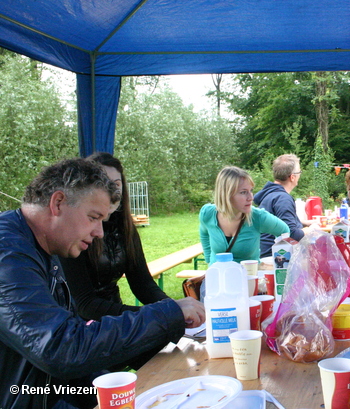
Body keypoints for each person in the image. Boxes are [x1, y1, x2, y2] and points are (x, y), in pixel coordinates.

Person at [0, 158, 205, 408]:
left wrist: (105, 385)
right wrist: (166, 314)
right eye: (93, 217)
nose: (99, 232)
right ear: (58, 203)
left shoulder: (44, 245)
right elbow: (59, 348)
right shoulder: (8, 254)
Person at [61, 153, 169, 321]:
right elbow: (85, 304)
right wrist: (152, 315)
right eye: (102, 184)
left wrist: (174, 308)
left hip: (113, 320)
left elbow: (143, 285)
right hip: (77, 326)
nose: (111, 191)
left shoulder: (125, 227)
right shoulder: (73, 231)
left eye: (115, 184)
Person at [200, 166, 289, 264]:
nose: (251, 197)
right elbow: (204, 232)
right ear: (226, 194)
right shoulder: (208, 213)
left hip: (248, 277)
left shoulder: (258, 217)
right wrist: (209, 261)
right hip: (217, 277)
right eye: (243, 192)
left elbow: (284, 231)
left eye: (250, 191)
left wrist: (279, 263)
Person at [254, 154, 315, 258]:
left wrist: (304, 223)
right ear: (292, 177)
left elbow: (279, 222)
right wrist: (312, 229)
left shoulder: (269, 194)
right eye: (299, 172)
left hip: (265, 254)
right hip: (277, 258)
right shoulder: (283, 199)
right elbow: (291, 234)